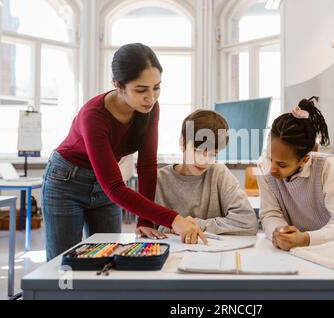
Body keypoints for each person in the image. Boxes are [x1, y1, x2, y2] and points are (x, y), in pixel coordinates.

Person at [42, 43, 205, 261]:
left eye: (156, 87)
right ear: (118, 85)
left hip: (105, 186)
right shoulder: (94, 115)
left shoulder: (149, 108)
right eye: (141, 90)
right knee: (64, 265)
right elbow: (115, 188)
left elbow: (147, 165)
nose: (151, 97)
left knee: (107, 261)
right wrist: (175, 220)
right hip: (66, 182)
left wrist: (144, 221)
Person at [135, 109, 258, 239]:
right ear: (182, 143)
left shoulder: (219, 174)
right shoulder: (158, 180)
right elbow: (146, 229)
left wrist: (195, 225)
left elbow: (248, 223)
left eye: (212, 154)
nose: (203, 160)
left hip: (213, 254)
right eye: (197, 151)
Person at [258, 97, 334, 251]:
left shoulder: (326, 167)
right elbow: (270, 214)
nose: (272, 169)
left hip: (328, 250)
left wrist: (306, 239)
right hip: (289, 252)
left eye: (282, 164)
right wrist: (279, 232)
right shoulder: (264, 167)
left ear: (304, 160)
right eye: (270, 158)